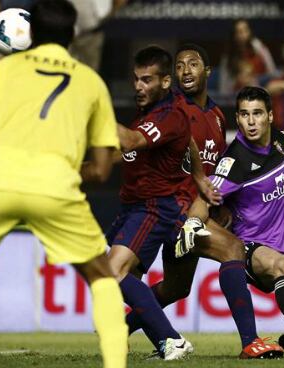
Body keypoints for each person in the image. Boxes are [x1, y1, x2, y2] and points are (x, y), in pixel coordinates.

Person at [0, 1, 127, 367]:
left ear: (31, 34)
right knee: (101, 276)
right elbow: (103, 169)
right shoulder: (91, 81)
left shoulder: (4, 67)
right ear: (73, 35)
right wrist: (59, 173)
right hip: (56, 186)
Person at [125, 43, 284, 359]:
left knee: (176, 288)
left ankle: (120, 326)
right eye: (180, 65)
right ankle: (250, 342)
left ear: (208, 72)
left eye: (193, 64)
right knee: (232, 248)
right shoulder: (170, 111)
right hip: (174, 209)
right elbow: (135, 147)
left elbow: (215, 170)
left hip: (195, 208)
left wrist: (220, 204)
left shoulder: (214, 115)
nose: (185, 70)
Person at [180, 69, 284, 359]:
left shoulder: (279, 143)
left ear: (269, 116)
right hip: (256, 248)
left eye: (257, 113)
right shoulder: (234, 161)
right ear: (238, 119)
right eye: (244, 114)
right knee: (281, 266)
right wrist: (193, 221)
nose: (251, 121)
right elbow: (207, 195)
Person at [107, 45, 192, 360]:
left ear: (165, 82)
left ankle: (171, 339)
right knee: (128, 279)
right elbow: (127, 150)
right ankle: (141, 339)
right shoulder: (149, 113)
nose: (138, 87)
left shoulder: (170, 115)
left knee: (113, 269)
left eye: (146, 80)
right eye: (136, 79)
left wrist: (93, 108)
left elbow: (129, 141)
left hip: (153, 207)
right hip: (133, 206)